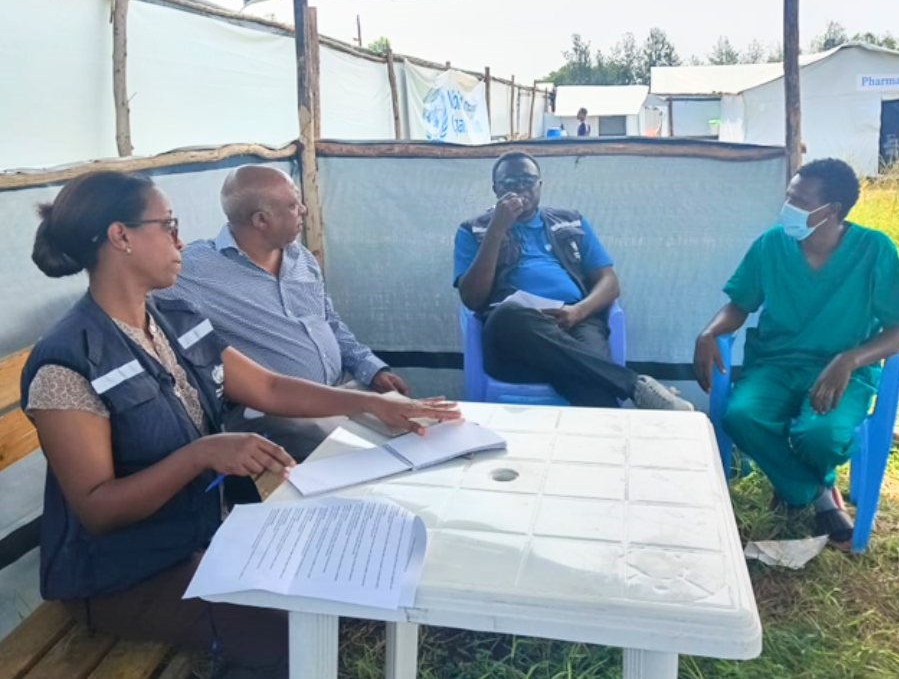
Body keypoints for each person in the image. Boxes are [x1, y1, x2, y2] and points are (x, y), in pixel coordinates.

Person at [23, 171, 458, 677]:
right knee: (293, 640)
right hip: (121, 574)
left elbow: (269, 387)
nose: (180, 239)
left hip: (202, 536)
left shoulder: (175, 318)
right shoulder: (67, 361)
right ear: (121, 236)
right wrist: (202, 454)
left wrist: (373, 404)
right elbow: (97, 509)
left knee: (337, 580)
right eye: (167, 225)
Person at [692, 158, 899, 545]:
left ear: (830, 211)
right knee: (741, 416)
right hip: (775, 365)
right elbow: (740, 304)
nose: (787, 208)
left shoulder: (873, 249)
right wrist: (709, 332)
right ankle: (817, 492)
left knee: (821, 435)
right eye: (788, 197)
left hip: (841, 372)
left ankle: (796, 488)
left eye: (798, 200)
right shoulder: (771, 245)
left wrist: (850, 359)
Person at [158, 165, 411, 459]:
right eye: (293, 205)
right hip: (282, 414)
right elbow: (135, 293)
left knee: (416, 430)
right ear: (261, 220)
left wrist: (370, 366)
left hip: (344, 388)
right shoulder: (194, 271)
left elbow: (329, 322)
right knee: (373, 459)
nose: (303, 210)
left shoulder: (300, 256)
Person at [454, 152, 693, 411]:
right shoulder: (472, 230)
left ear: (540, 185)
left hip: (576, 319)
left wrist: (578, 312)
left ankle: (606, 442)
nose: (520, 188)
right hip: (514, 338)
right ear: (495, 189)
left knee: (587, 382)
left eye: (527, 180)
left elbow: (609, 283)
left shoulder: (571, 220)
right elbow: (473, 299)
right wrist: (497, 230)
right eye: (509, 183)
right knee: (509, 315)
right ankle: (635, 386)